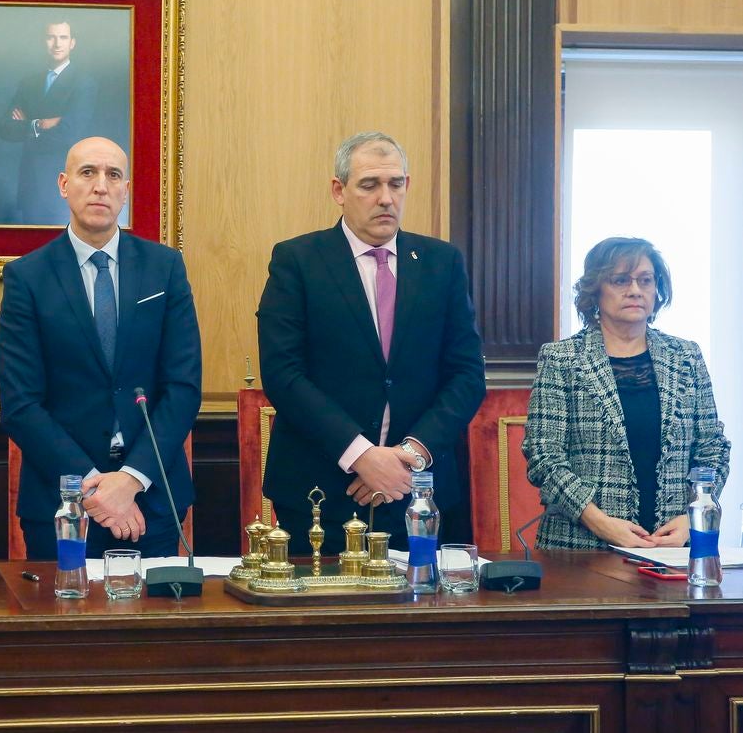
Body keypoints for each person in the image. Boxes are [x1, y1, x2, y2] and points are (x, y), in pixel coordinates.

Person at [257, 132, 486, 552]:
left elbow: (467, 375)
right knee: (321, 615)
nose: (386, 198)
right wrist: (362, 455)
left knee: (416, 614)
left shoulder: (442, 263)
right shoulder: (298, 261)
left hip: (416, 490)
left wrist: (408, 456)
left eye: (395, 184)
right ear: (338, 190)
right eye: (370, 185)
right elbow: (283, 373)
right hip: (320, 491)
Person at [0, 137, 201, 559]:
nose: (100, 186)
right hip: (62, 502)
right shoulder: (27, 277)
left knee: (154, 624)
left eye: (113, 176)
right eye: (88, 173)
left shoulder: (165, 268)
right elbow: (20, 404)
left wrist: (129, 479)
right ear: (63, 184)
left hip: (151, 497)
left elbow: (182, 387)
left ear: (126, 190)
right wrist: (93, 485)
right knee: (64, 621)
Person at [523, 237, 729, 550]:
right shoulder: (562, 358)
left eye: (646, 280)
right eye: (621, 280)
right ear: (595, 289)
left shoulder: (686, 356)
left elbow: (713, 448)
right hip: (582, 547)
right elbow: (543, 456)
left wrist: (693, 516)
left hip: (672, 547)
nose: (635, 290)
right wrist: (600, 523)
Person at [0, 19, 99, 226]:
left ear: (72, 43)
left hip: (64, 184)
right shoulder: (29, 83)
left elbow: (69, 134)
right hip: (30, 184)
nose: (57, 43)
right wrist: (40, 124)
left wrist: (26, 127)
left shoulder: (83, 83)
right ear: (44, 41)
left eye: (63, 37)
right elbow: (4, 128)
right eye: (51, 37)